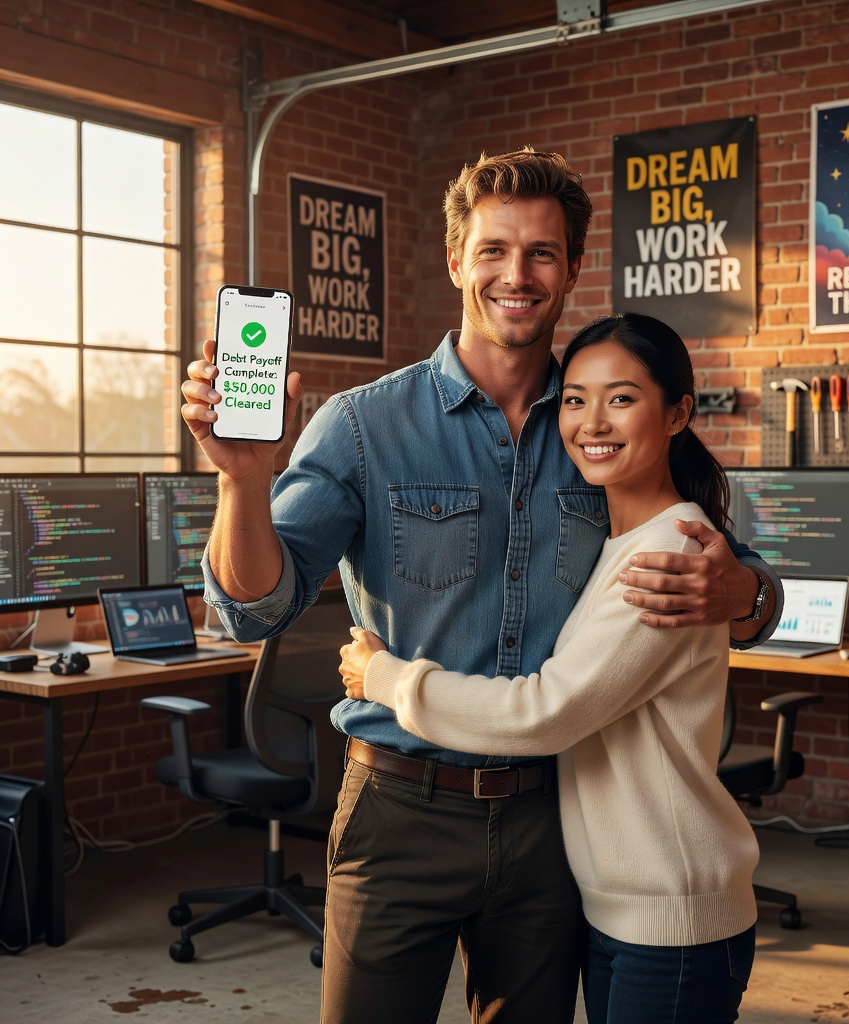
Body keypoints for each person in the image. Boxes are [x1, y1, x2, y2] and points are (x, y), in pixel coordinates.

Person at [180, 148, 780, 1024]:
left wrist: (746, 597)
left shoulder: (599, 421)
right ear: (457, 261)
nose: (517, 275)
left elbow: (735, 570)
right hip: (399, 811)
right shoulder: (361, 426)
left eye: (542, 253)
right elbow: (252, 609)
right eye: (494, 250)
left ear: (572, 268)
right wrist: (242, 482)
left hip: (552, 822)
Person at [339, 312, 758, 1024]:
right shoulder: (620, 544)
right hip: (619, 905)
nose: (592, 422)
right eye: (576, 399)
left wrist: (387, 679)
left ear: (678, 414)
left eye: (621, 398)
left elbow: (547, 712)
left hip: (673, 906)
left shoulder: (669, 556)